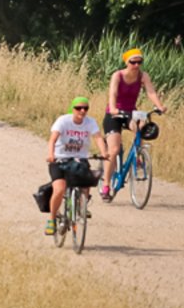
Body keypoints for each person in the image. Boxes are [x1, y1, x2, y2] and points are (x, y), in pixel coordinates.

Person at [99, 48, 167, 200]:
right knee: (114, 149)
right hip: (114, 114)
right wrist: (113, 108)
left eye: (139, 62)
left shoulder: (143, 76)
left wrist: (159, 106)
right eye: (133, 62)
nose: (136, 65)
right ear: (126, 62)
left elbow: (151, 92)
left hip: (130, 112)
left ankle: (137, 155)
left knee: (141, 124)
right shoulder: (118, 75)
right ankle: (106, 184)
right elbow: (113, 93)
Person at [45, 97, 108, 235]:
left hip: (80, 160)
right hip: (60, 160)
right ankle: (51, 220)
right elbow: (52, 139)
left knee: (86, 182)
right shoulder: (63, 121)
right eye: (79, 108)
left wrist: (104, 152)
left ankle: (82, 206)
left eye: (85, 108)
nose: (82, 111)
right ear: (72, 109)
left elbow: (97, 137)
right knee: (59, 189)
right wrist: (51, 154)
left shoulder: (90, 122)